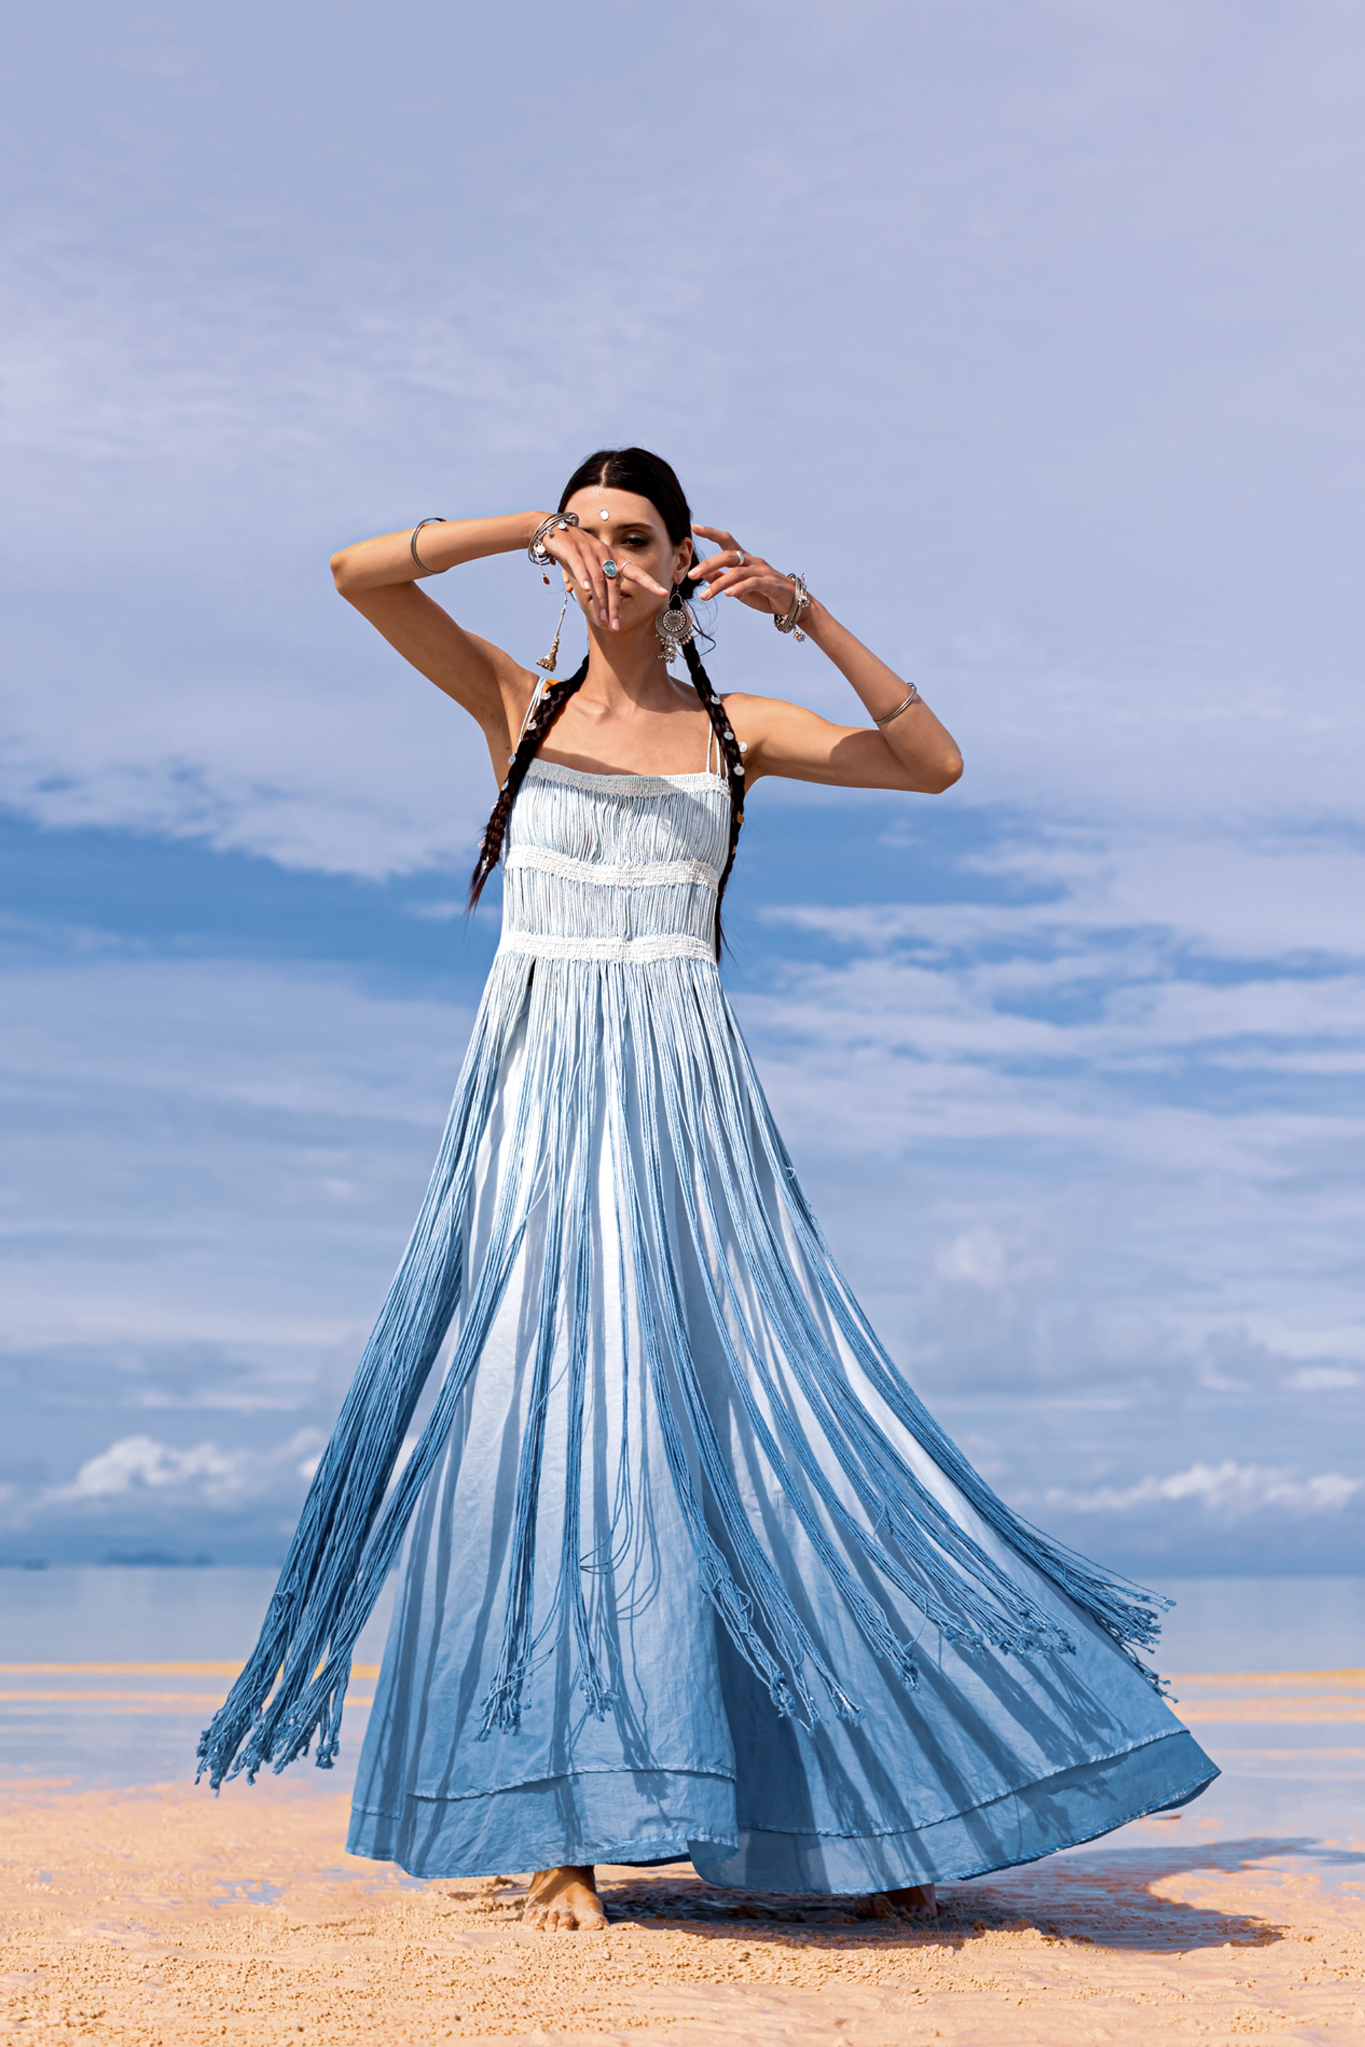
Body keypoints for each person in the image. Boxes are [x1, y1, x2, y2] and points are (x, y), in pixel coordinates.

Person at [199, 447, 1216, 1933]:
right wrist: (519, 530)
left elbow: (930, 762)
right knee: (550, 1443)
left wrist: (809, 611)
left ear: (687, 559)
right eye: (587, 534)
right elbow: (361, 573)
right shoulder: (513, 701)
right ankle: (560, 1830)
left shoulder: (740, 730)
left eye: (636, 536)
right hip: (539, 1108)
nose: (607, 556)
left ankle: (855, 1807)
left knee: (750, 1430)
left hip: (688, 1114)